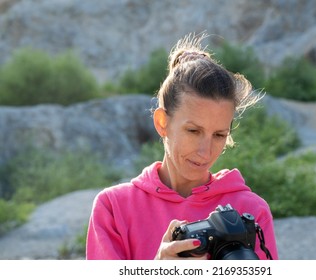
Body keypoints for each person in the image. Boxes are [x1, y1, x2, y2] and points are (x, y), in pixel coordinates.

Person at [86, 33, 279, 260]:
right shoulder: (114, 208)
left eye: (219, 135)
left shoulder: (251, 211)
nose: (205, 151)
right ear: (162, 123)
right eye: (193, 131)